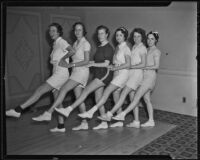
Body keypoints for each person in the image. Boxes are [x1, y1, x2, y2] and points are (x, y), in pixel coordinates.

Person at [6, 23, 75, 118]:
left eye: (53, 30)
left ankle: (18, 110)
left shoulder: (61, 42)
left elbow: (72, 51)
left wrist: (63, 59)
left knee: (39, 90)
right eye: (50, 31)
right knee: (57, 101)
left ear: (59, 32)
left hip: (61, 74)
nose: (51, 33)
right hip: (57, 73)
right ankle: (61, 126)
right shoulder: (55, 44)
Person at [32, 22, 91, 132]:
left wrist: (70, 65)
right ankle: (84, 123)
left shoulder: (86, 43)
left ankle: (48, 112)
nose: (77, 32)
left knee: (63, 89)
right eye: (76, 30)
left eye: (80, 30)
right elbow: (70, 56)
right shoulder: (75, 43)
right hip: (75, 71)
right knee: (79, 98)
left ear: (84, 31)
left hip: (82, 72)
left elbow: (86, 60)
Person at [55, 25, 114, 130]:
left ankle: (68, 109)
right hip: (98, 73)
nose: (100, 35)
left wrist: (91, 64)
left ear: (107, 34)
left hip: (104, 75)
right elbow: (99, 61)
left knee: (86, 90)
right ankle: (104, 122)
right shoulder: (100, 46)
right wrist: (92, 62)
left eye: (102, 33)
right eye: (98, 33)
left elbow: (106, 64)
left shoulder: (108, 47)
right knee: (98, 98)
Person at [77, 27, 131, 128]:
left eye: (121, 35)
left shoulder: (126, 48)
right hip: (117, 73)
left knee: (107, 92)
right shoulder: (118, 48)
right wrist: (113, 66)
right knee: (115, 97)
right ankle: (118, 120)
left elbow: (128, 64)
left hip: (123, 74)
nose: (118, 37)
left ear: (125, 37)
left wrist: (114, 68)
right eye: (117, 35)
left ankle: (94, 112)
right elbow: (115, 63)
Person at [98, 28, 147, 128]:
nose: (136, 38)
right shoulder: (134, 47)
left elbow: (143, 64)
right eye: (134, 36)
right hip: (131, 73)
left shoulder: (142, 48)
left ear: (142, 37)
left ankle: (111, 114)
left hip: (137, 74)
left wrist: (130, 66)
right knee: (132, 98)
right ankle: (136, 121)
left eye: (139, 36)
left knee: (124, 93)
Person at [111, 31, 161, 127]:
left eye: (152, 39)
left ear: (156, 40)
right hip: (143, 76)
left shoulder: (156, 51)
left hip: (150, 77)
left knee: (136, 97)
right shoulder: (146, 49)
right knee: (146, 99)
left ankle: (123, 114)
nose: (150, 41)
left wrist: (142, 67)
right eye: (149, 38)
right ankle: (147, 120)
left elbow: (156, 66)